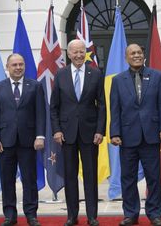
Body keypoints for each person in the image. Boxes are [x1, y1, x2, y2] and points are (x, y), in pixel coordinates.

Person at [110, 43, 161, 226]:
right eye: (132, 53)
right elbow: (115, 109)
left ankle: (155, 214)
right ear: (126, 58)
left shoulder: (157, 76)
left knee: (153, 178)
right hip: (127, 136)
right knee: (128, 178)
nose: (136, 55)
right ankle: (130, 214)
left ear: (143, 55)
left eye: (139, 52)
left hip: (151, 135)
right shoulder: (118, 80)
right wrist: (114, 132)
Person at [50, 39, 106, 226]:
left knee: (90, 176)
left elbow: (102, 106)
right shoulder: (61, 74)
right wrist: (56, 130)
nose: (79, 55)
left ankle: (92, 216)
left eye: (82, 52)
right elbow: (54, 107)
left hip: (90, 134)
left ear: (86, 52)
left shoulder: (96, 73)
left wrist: (100, 130)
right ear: (69, 54)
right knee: (70, 176)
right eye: (75, 52)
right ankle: (72, 216)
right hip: (67, 134)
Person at [0, 53, 45, 226]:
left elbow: (40, 113)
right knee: (7, 180)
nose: (18, 67)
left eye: (21, 64)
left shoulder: (35, 86)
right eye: (14, 65)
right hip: (5, 142)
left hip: (28, 141)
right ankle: (9, 216)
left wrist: (40, 136)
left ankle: (31, 215)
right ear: (8, 67)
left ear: (25, 66)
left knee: (29, 179)